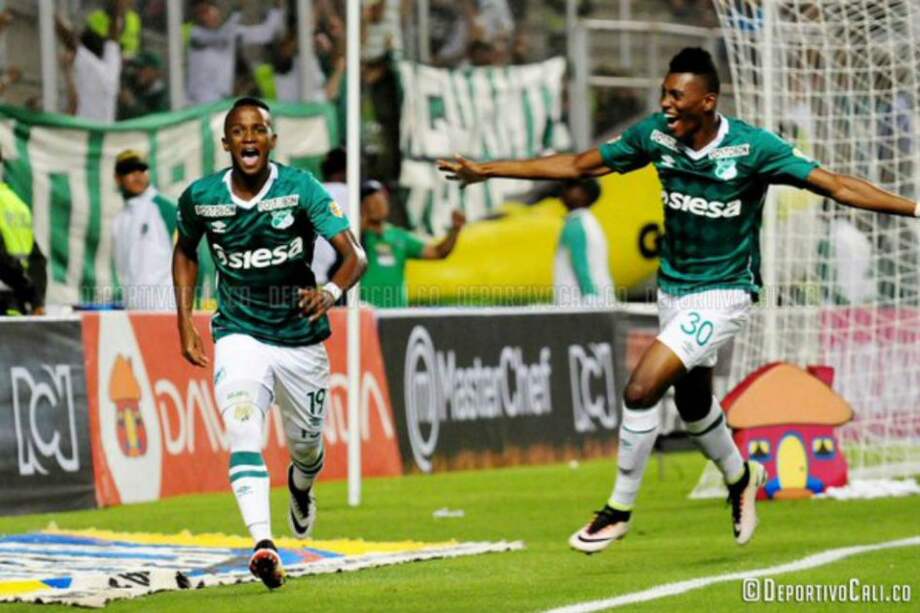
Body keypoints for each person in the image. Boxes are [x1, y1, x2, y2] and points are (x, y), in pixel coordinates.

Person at [438, 47, 919, 554]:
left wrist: (913, 207)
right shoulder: (655, 137)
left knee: (641, 389)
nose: (665, 103)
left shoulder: (754, 148)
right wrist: (489, 171)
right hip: (675, 292)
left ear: (707, 100)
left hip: (724, 295)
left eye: (676, 95)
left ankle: (617, 510)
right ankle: (740, 479)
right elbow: (580, 164)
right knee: (693, 407)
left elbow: (838, 186)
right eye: (664, 92)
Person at [172, 97, 366, 589]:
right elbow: (185, 250)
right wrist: (186, 321)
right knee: (241, 427)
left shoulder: (300, 189)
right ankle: (263, 544)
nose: (249, 138)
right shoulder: (202, 197)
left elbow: (354, 256)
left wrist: (329, 291)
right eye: (239, 131)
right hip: (239, 331)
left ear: (272, 140)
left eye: (258, 129)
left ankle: (301, 485)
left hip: (300, 338)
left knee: (306, 447)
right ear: (227, 143)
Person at [360, 180, 465, 308]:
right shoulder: (355, 236)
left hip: (396, 315)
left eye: (381, 198)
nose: (377, 204)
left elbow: (438, 252)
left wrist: (455, 230)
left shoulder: (399, 236)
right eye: (371, 201)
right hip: (365, 315)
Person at [111, 150, 177, 310]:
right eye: (129, 171)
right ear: (117, 178)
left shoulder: (166, 209)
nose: (137, 175)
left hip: (167, 310)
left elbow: (191, 258)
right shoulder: (118, 221)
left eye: (141, 170)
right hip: (133, 312)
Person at [185, 0, 285, 105]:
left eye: (210, 10)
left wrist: (276, 8)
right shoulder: (195, 34)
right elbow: (222, 36)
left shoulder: (232, 32)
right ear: (197, 17)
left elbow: (266, 34)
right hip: (198, 101)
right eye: (203, 12)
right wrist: (238, 9)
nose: (209, 15)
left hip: (221, 100)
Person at [554, 178, 615, 307]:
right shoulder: (591, 223)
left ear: (584, 194)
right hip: (600, 300)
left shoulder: (576, 225)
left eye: (571, 186)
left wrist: (590, 297)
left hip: (580, 305)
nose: (564, 191)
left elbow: (581, 265)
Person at [0, 149, 47, 316]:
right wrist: (37, 300)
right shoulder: (17, 203)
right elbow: (37, 259)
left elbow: (3, 260)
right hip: (20, 307)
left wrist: (31, 293)